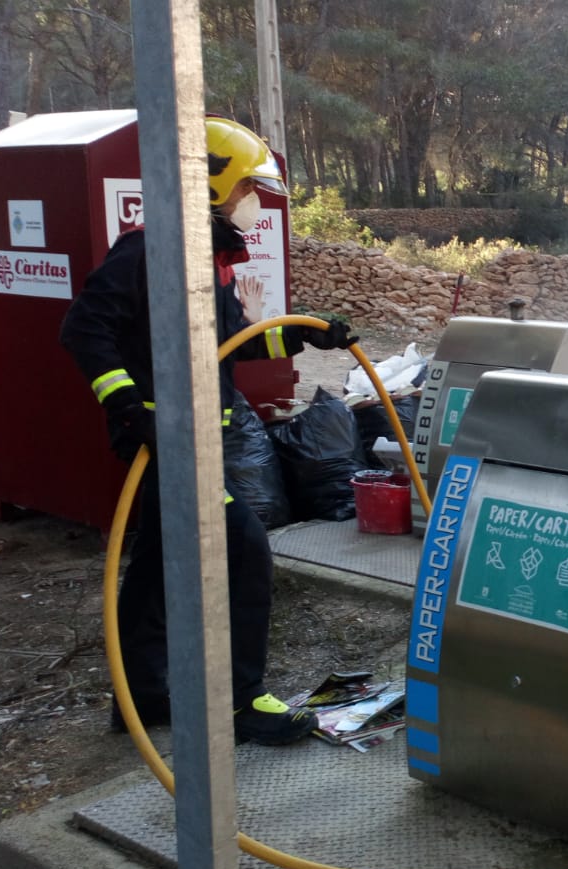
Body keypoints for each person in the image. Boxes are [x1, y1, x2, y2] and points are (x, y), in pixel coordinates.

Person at [60, 116, 355, 745]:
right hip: (164, 444)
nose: (254, 202)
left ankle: (141, 698)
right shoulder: (147, 252)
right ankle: (241, 702)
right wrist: (132, 408)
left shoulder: (209, 259)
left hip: (193, 438)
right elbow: (83, 330)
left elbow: (232, 343)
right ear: (212, 186)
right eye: (247, 187)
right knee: (244, 548)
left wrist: (303, 334)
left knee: (157, 567)